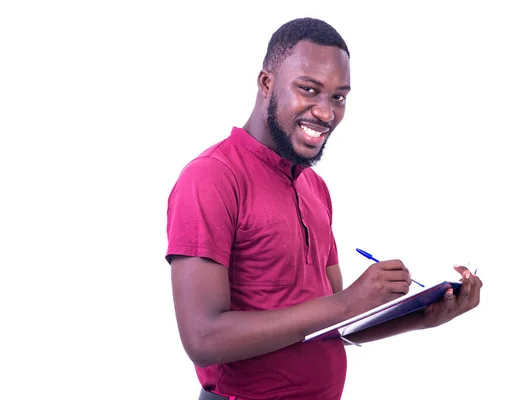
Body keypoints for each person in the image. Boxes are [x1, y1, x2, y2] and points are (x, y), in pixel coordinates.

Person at [165, 17, 482, 400]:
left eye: (338, 96)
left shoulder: (314, 187)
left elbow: (335, 322)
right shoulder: (211, 178)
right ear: (267, 84)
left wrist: (423, 316)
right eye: (309, 89)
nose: (326, 112)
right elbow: (203, 338)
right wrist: (347, 300)